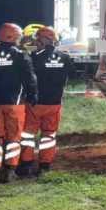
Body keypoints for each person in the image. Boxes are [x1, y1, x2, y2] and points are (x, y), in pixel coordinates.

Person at [0, 23, 38, 186]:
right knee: (13, 137)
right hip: (15, 103)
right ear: (13, 37)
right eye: (18, 36)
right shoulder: (21, 54)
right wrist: (33, 93)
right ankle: (10, 172)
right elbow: (30, 76)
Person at [17, 26, 73, 177]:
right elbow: (70, 74)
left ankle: (26, 165)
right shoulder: (65, 57)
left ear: (45, 39)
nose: (35, 41)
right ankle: (44, 167)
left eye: (38, 38)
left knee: (28, 135)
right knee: (49, 135)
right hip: (54, 102)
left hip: (34, 103)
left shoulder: (34, 57)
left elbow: (26, 69)